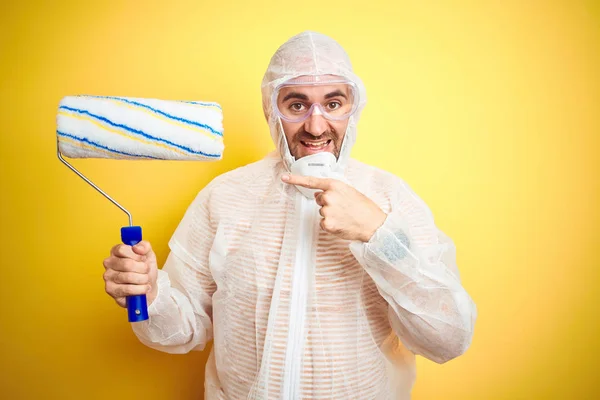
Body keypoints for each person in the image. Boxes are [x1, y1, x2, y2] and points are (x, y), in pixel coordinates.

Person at [103, 31, 477, 399]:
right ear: (271, 109)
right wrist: (151, 294)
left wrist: (377, 233)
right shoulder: (224, 197)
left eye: (333, 104)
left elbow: (447, 339)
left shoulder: (391, 199)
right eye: (297, 105)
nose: (316, 126)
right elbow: (183, 328)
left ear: (354, 108)